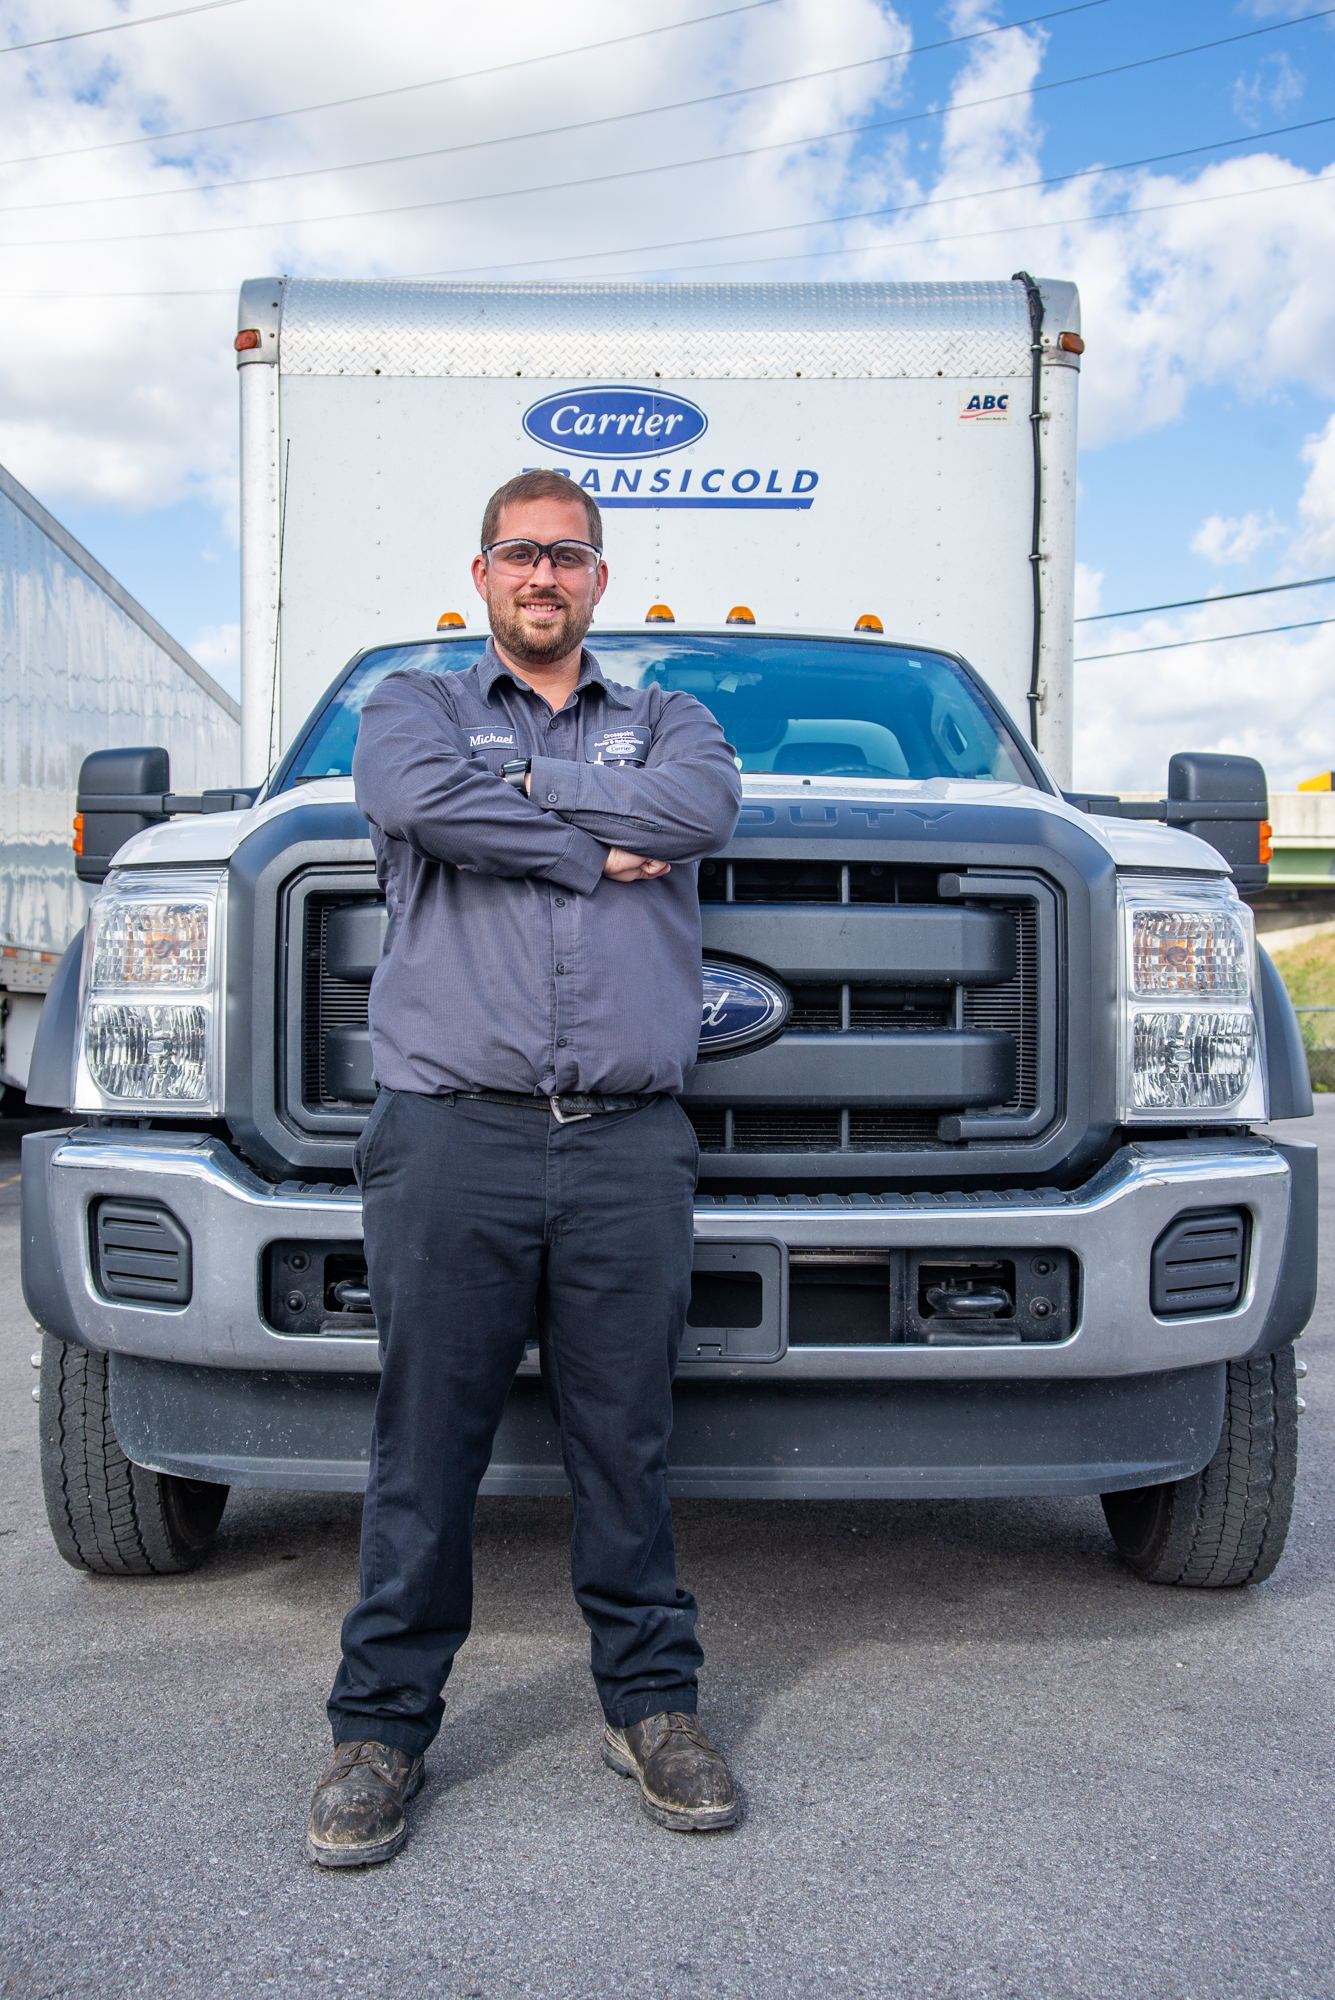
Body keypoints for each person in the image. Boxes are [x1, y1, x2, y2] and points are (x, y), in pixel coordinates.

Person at [306, 469, 744, 1867]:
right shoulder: (412, 706)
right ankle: (381, 1729)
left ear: (600, 579)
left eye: (569, 555)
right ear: (482, 573)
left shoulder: (673, 719)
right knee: (422, 1449)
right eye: (519, 553)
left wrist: (531, 792)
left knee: (629, 1443)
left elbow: (703, 807)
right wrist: (588, 829)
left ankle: (652, 1704)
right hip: (453, 1138)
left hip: (628, 1144)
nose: (543, 575)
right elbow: (405, 792)